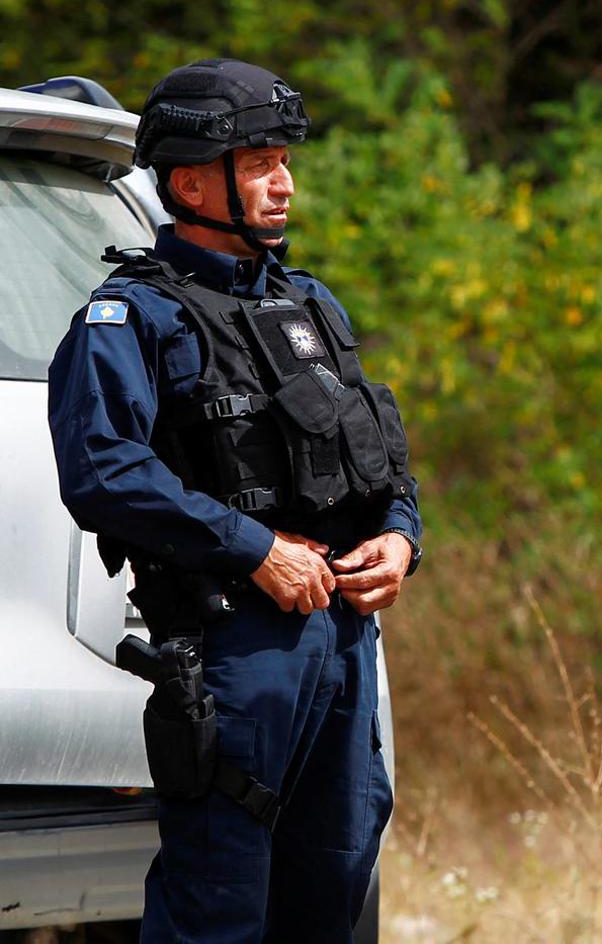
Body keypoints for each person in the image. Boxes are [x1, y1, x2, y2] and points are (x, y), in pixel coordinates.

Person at [47, 58, 421, 943]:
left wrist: (400, 541)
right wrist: (254, 548)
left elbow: (380, 458)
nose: (283, 181)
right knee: (217, 912)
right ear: (189, 181)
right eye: (257, 163)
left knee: (331, 894)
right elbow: (103, 470)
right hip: (230, 651)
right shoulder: (131, 316)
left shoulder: (310, 303)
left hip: (340, 644)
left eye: (283, 159)